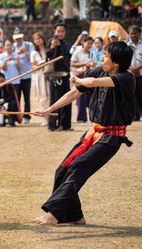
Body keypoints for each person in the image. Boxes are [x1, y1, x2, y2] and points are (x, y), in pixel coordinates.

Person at [32, 41, 135, 225]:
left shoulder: (125, 78)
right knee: (63, 169)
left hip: (111, 138)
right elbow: (75, 92)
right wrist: (50, 109)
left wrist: (79, 79)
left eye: (105, 55)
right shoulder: (99, 70)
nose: (101, 58)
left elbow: (90, 82)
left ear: (117, 63)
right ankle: (75, 216)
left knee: (78, 166)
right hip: (92, 133)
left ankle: (54, 214)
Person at [46, 22, 72, 132]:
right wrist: (52, 47)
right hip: (56, 76)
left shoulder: (65, 44)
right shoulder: (51, 42)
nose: (60, 33)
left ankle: (65, 125)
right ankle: (53, 125)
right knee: (55, 100)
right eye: (58, 31)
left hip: (66, 75)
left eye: (62, 31)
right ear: (55, 32)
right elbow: (48, 55)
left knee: (67, 100)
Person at [70, 36, 96, 123]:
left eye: (91, 44)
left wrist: (90, 66)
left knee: (90, 97)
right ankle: (81, 118)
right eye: (88, 43)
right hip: (79, 77)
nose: (89, 45)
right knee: (80, 97)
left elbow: (95, 64)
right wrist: (83, 64)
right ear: (83, 43)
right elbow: (72, 64)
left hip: (89, 77)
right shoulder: (77, 52)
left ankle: (92, 117)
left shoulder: (92, 53)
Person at [127, 26, 142, 122]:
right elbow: (125, 58)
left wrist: (137, 69)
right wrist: (131, 69)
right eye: (131, 33)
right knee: (133, 96)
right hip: (130, 74)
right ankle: (135, 116)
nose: (133, 35)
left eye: (135, 33)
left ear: (139, 34)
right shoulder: (127, 45)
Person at [13, 28, 34, 124]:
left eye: (20, 38)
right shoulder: (13, 47)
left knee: (27, 97)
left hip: (27, 75)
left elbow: (33, 59)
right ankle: (18, 116)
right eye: (17, 39)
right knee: (17, 97)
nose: (18, 40)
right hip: (16, 76)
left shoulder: (29, 45)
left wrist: (26, 52)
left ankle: (27, 116)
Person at [0, 39, 21, 124]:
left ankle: (15, 119)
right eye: (7, 45)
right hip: (6, 82)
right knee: (7, 100)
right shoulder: (2, 56)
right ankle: (7, 119)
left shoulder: (16, 55)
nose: (9, 46)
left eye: (10, 44)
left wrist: (18, 60)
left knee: (16, 101)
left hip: (16, 81)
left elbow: (19, 68)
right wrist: (6, 60)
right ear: (4, 47)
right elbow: (2, 68)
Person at [30, 32, 50, 126]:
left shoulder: (48, 50)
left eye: (39, 38)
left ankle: (51, 117)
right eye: (36, 39)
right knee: (43, 97)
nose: (38, 40)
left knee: (50, 95)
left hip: (49, 74)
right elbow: (33, 66)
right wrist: (39, 65)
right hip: (40, 76)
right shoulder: (34, 53)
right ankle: (45, 118)